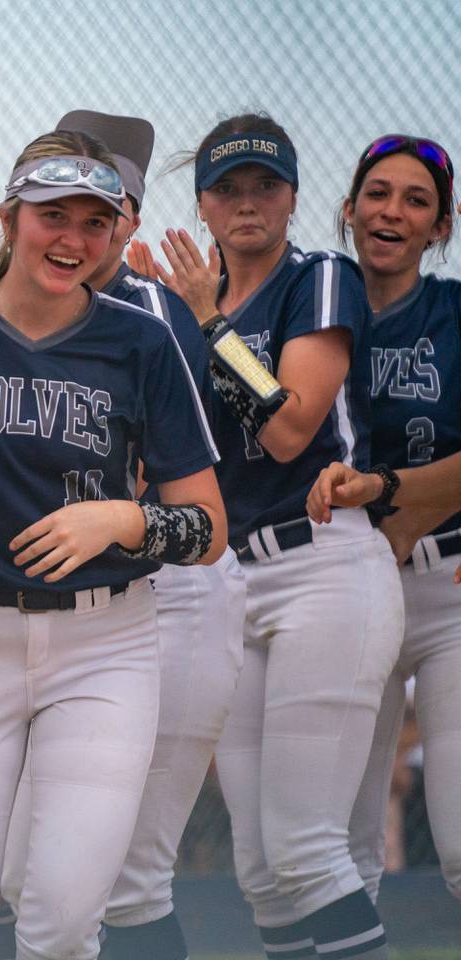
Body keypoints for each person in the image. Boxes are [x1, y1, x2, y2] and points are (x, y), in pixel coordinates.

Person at [0, 130, 226, 960]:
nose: (73, 240)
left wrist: (122, 520)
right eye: (53, 216)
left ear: (118, 233)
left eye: (95, 221)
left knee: (63, 918)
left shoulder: (140, 341)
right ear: (11, 218)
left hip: (103, 645)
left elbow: (209, 529)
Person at [131, 114, 403, 960]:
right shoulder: (181, 305)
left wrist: (208, 321)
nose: (247, 203)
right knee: (261, 867)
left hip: (325, 567)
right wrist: (162, 314)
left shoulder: (318, 274)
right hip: (234, 579)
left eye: (265, 186)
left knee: (305, 848)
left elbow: (289, 429)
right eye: (227, 188)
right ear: (203, 206)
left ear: (292, 197)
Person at [0, 110, 248, 960]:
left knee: (128, 878)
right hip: (81, 604)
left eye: (108, 210)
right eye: (61, 206)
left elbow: (155, 485)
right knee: (22, 873)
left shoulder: (147, 312)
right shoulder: (13, 311)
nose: (87, 231)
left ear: (128, 222)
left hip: (174, 590)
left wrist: (209, 316)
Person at [301, 134, 461, 906]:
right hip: (340, 587)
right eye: (377, 194)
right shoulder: (308, 309)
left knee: (460, 844)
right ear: (349, 210)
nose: (391, 210)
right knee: (340, 845)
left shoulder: (456, 314)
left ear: (442, 227)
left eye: (416, 200)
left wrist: (392, 492)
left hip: (447, 591)